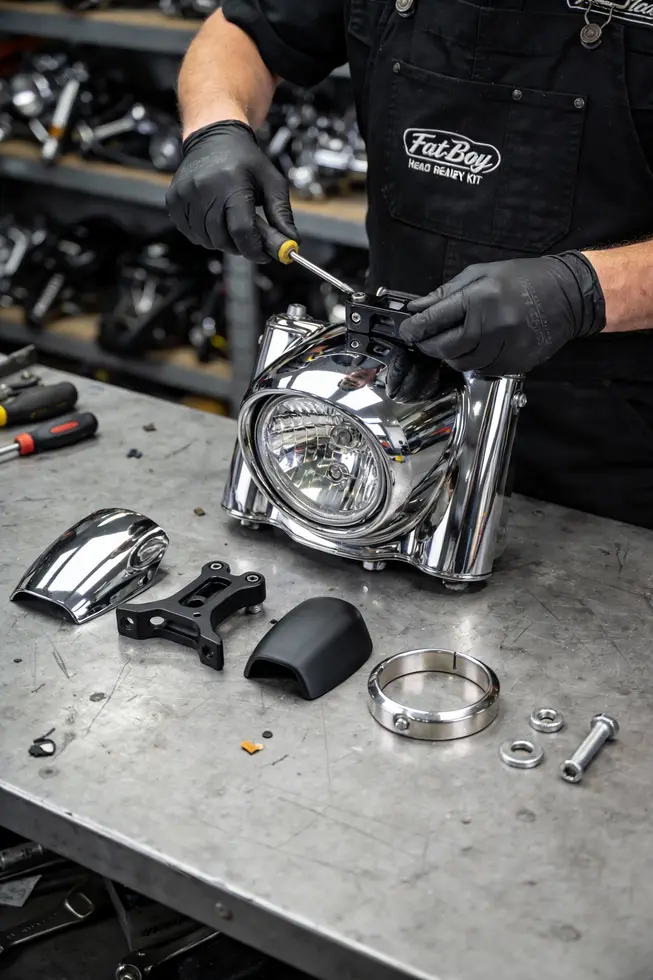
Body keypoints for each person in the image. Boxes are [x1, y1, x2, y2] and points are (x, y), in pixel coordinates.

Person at [167, 0, 653, 529]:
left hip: (615, 444)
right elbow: (242, 31)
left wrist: (582, 291)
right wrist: (215, 129)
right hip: (392, 409)